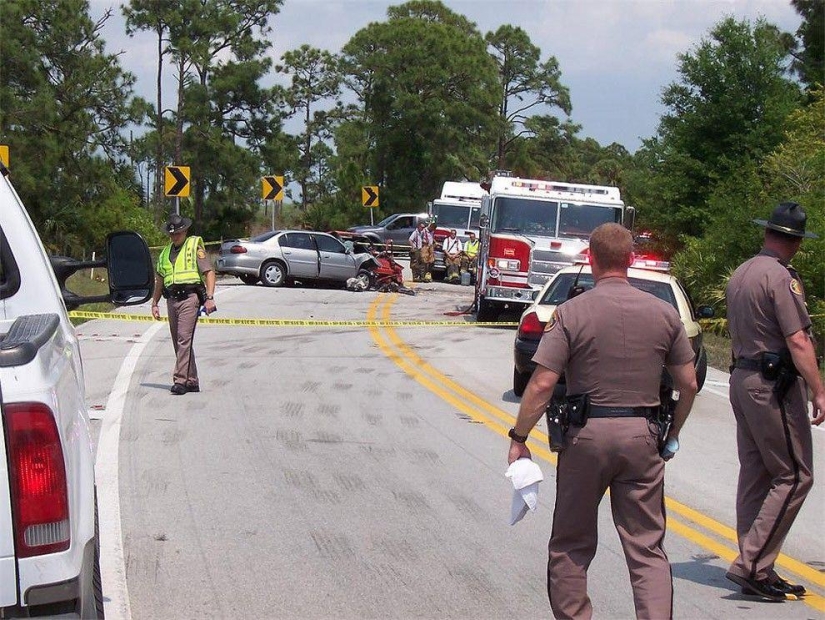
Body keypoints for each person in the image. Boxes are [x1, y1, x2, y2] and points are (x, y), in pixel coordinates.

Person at [507, 222, 697, 619]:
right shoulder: (664, 315)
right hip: (643, 438)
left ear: (590, 259)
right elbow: (689, 384)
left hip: (586, 439)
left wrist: (519, 435)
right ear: (631, 260)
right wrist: (672, 433)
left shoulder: (571, 313)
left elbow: (542, 383)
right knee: (647, 549)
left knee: (571, 544)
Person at [724, 202, 824, 601]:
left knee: (757, 474)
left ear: (767, 233)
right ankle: (752, 565)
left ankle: (758, 565)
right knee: (796, 475)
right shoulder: (781, 279)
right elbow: (798, 340)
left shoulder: (742, 272)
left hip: (741, 377)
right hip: (771, 385)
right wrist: (819, 389)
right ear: (796, 242)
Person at [150, 213, 216, 395]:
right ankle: (192, 380)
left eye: (178, 233)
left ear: (185, 231)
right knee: (178, 342)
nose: (174, 236)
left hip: (190, 298)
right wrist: (154, 303)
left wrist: (210, 297)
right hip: (171, 299)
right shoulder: (164, 253)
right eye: (171, 234)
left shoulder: (194, 247)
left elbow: (209, 272)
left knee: (183, 338)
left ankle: (180, 381)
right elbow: (160, 280)